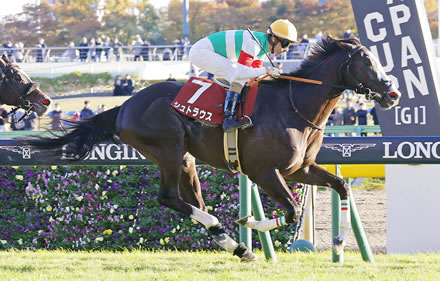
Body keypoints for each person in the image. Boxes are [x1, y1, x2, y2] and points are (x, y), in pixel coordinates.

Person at [189, 19, 297, 132]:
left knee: (245, 80)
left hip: (213, 52)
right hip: (201, 51)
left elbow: (254, 78)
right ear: (274, 39)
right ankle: (228, 119)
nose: (287, 49)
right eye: (286, 44)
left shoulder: (262, 48)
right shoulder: (254, 44)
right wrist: (267, 69)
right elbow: (241, 74)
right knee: (238, 77)